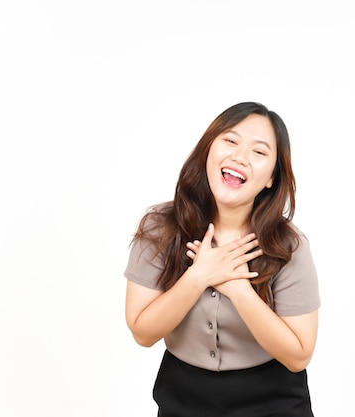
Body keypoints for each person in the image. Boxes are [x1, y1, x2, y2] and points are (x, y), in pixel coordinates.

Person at [124, 101, 320, 417]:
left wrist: (240, 290)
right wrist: (198, 276)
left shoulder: (289, 246)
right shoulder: (159, 227)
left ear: (271, 178)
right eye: (230, 140)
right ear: (208, 150)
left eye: (259, 152)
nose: (240, 157)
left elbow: (298, 356)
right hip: (182, 397)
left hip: (274, 401)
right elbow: (143, 332)